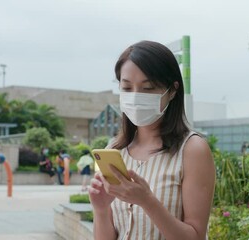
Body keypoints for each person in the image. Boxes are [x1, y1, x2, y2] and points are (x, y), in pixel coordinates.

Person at [89, 41, 215, 240]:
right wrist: (101, 209)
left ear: (172, 90)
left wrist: (147, 201)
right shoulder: (113, 150)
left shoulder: (192, 150)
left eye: (148, 88)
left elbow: (196, 236)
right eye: (127, 87)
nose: (136, 96)